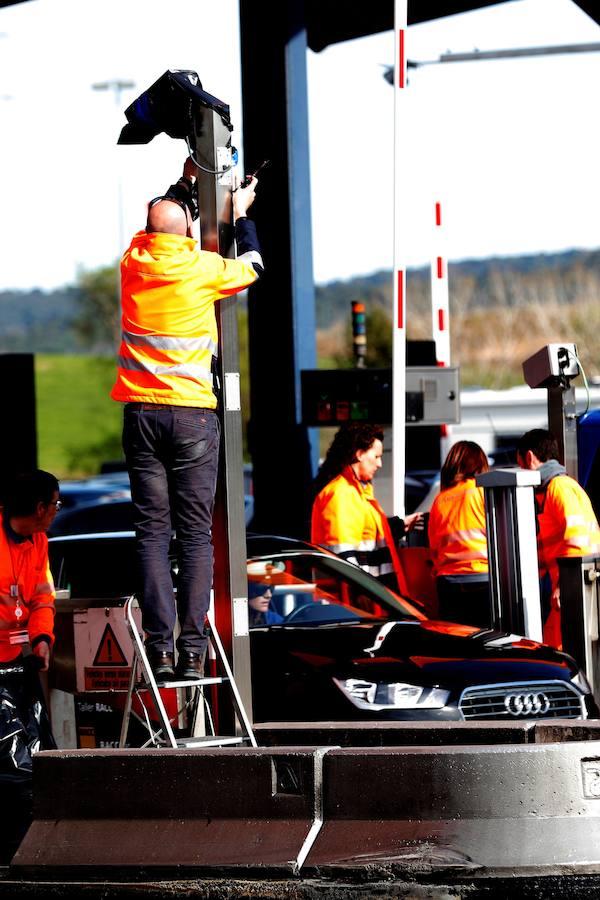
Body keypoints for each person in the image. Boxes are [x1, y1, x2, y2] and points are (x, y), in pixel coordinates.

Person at [111, 157, 263, 680]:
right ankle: (193, 648)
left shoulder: (133, 261)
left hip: (142, 416)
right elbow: (254, 267)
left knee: (152, 534)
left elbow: (159, 223)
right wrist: (241, 214)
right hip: (193, 415)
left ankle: (159, 647)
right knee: (195, 536)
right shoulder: (203, 268)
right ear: (191, 232)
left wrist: (183, 185)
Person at [311, 423, 423, 591]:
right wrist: (361, 593)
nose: (380, 464)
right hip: (358, 599)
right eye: (376, 456)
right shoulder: (341, 494)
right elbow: (343, 553)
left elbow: (367, 536)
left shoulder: (356, 493)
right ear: (359, 454)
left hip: (368, 595)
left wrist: (401, 525)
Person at [517, 428, 600, 648]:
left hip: (575, 587)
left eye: (520, 465)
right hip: (571, 587)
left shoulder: (559, 488)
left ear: (529, 458)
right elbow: (547, 547)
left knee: (562, 651)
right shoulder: (554, 490)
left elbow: (577, 539)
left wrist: (564, 584)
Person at [0, 470, 60, 670]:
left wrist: (41, 639)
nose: (57, 510)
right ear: (41, 508)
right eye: (56, 504)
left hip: (17, 655)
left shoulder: (39, 540)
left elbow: (42, 598)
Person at [428, 441, 490, 628]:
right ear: (479, 464)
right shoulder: (481, 491)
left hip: (448, 584)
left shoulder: (440, 500)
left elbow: (433, 548)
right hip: (482, 579)